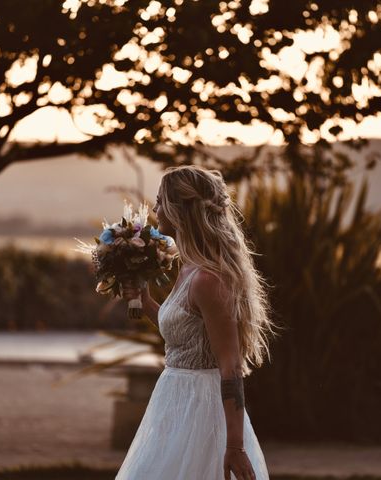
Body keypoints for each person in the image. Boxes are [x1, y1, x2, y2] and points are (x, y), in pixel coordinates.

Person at [116, 165, 277, 480]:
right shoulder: (188, 268)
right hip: (172, 400)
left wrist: (234, 447)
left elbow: (230, 364)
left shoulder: (208, 279)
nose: (156, 208)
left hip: (202, 409)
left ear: (181, 210)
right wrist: (146, 302)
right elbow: (184, 335)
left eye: (162, 201)